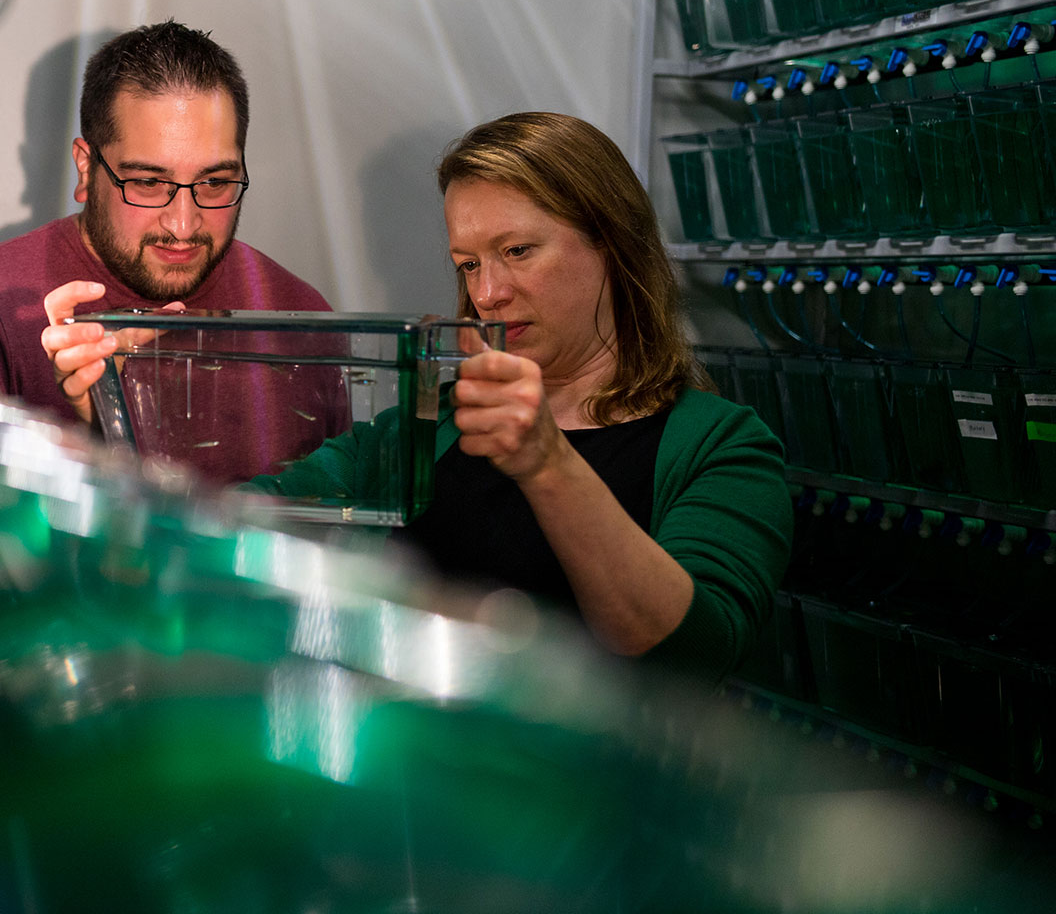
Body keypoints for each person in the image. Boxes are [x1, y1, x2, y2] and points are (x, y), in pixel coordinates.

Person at [248, 113, 789, 678]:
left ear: (612, 243)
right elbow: (256, 511)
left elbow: (692, 651)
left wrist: (549, 463)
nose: (487, 293)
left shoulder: (724, 448)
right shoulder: (428, 426)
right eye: (469, 264)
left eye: (518, 250)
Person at [0, 20, 345, 483]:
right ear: (87, 169)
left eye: (214, 183)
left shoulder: (301, 315)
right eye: (149, 183)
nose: (183, 223)